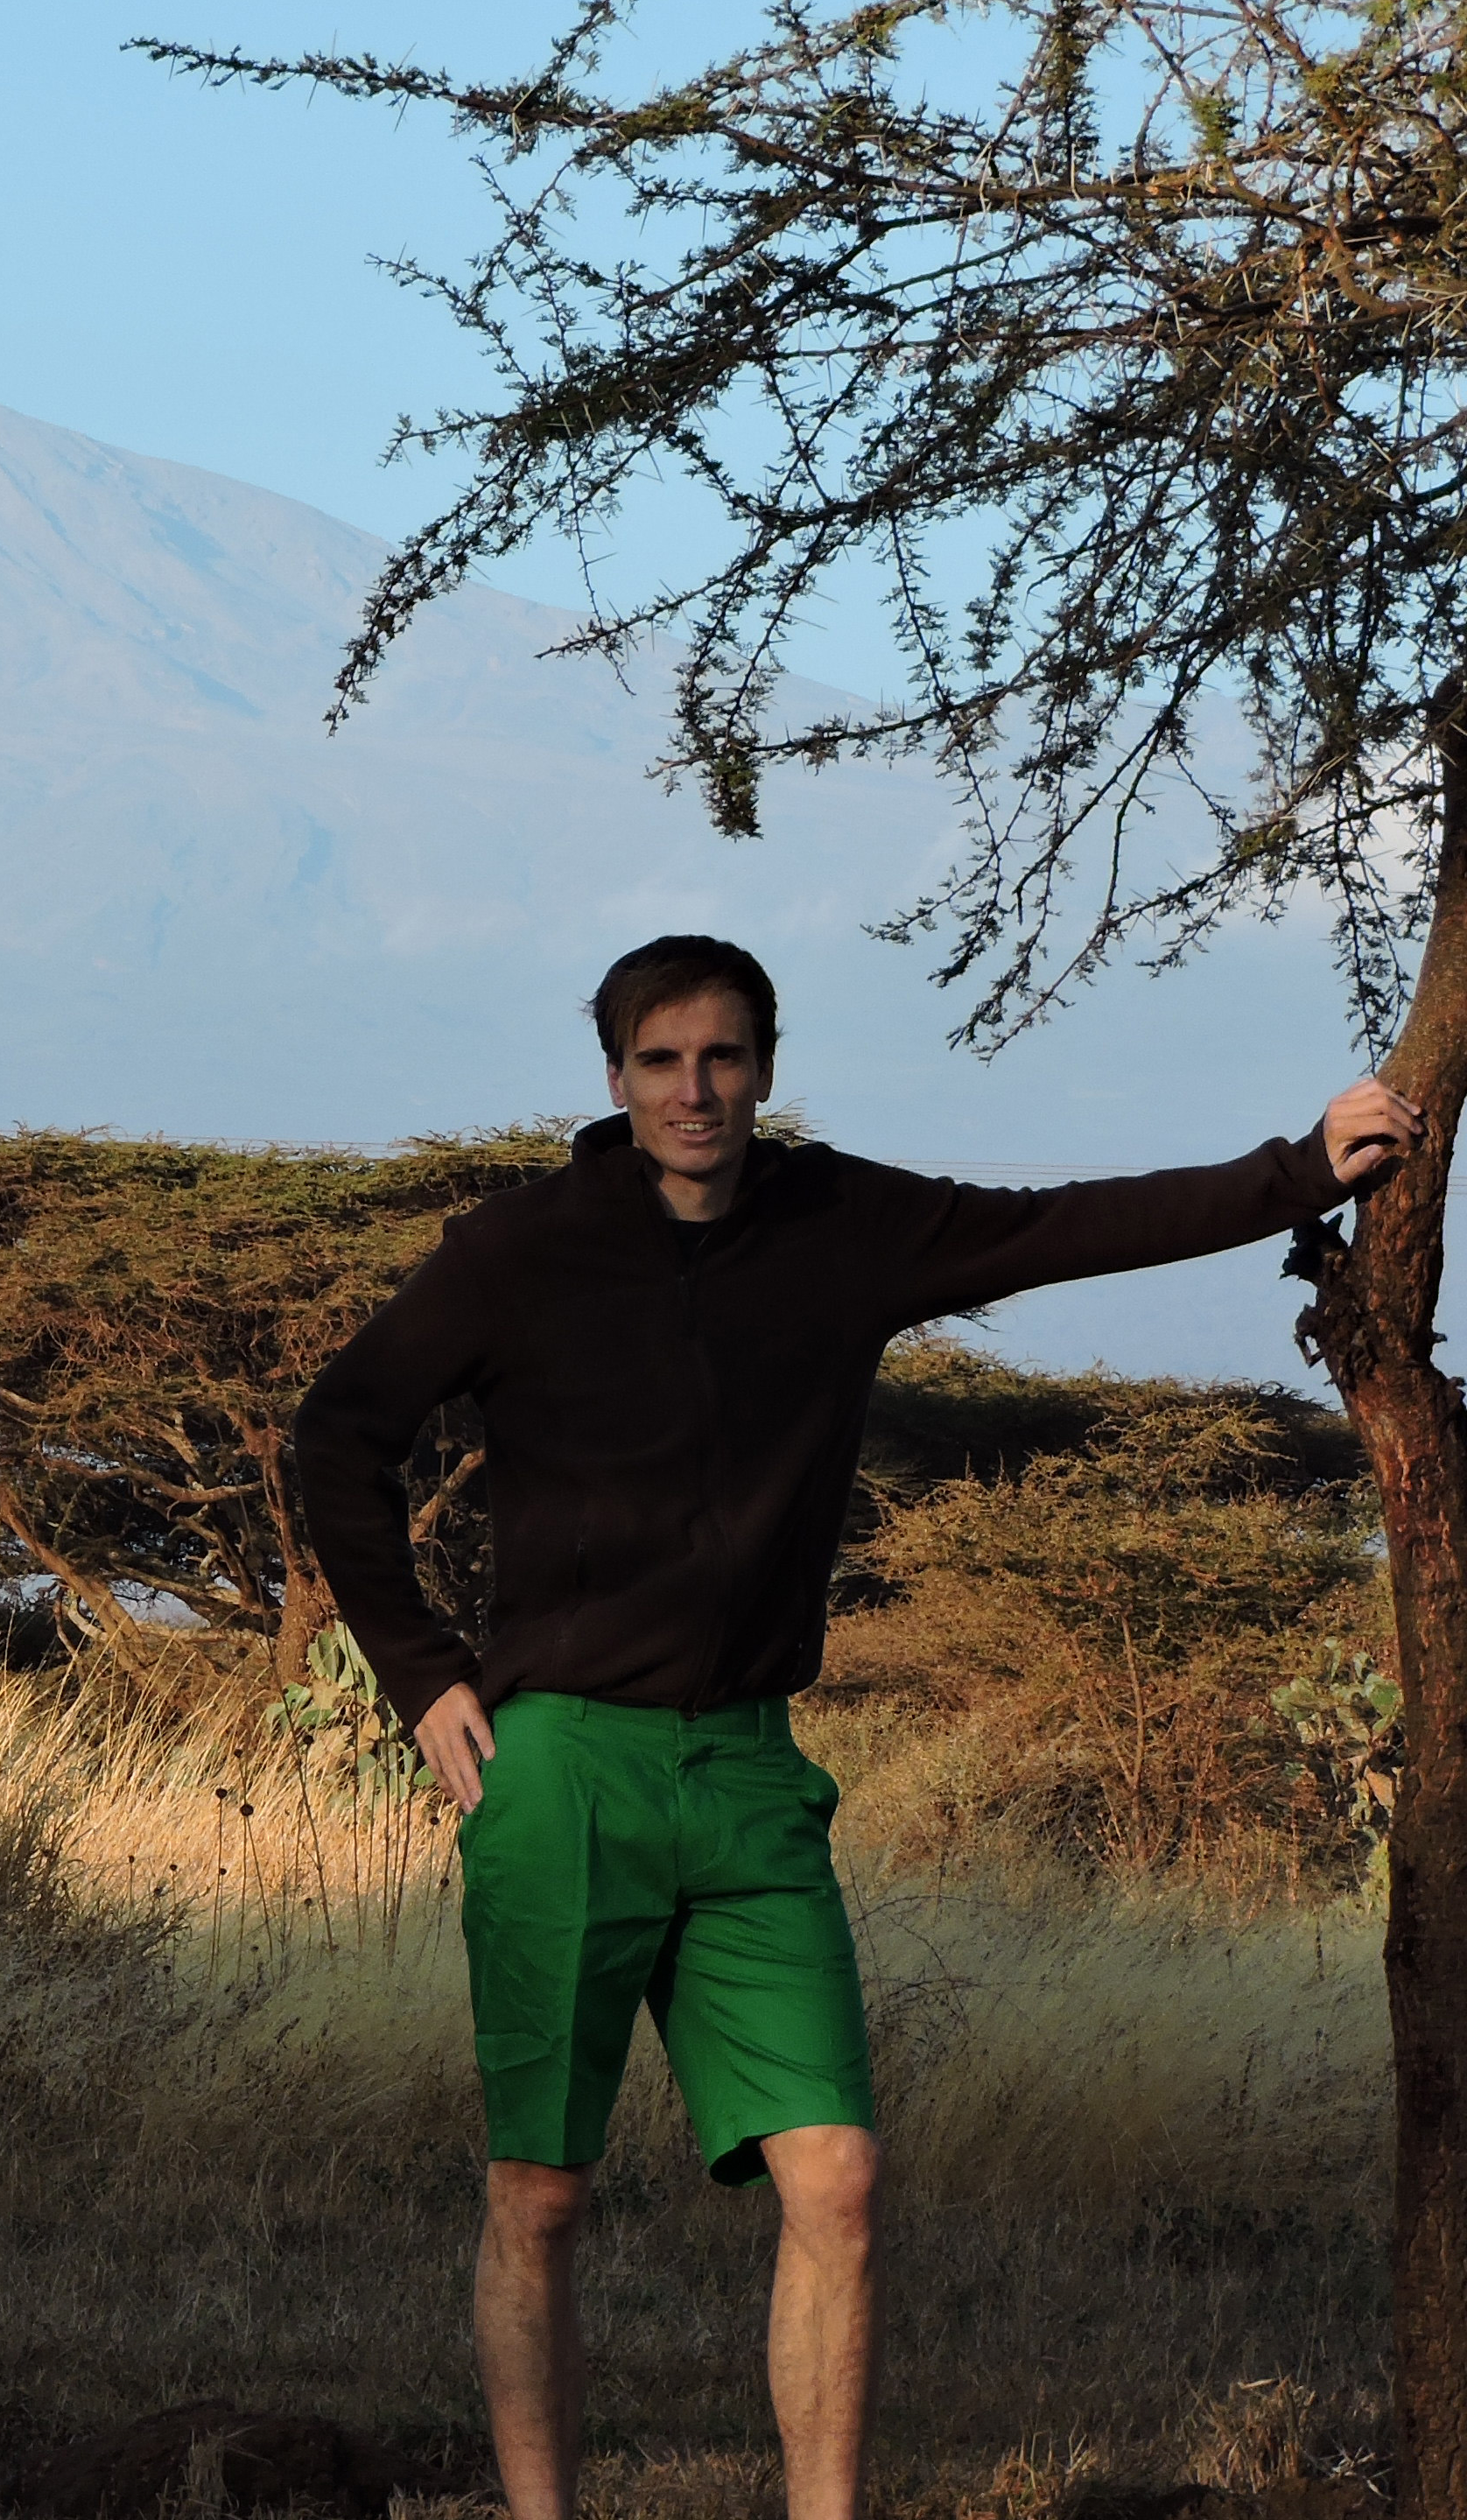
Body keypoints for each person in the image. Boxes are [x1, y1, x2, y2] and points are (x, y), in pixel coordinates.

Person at [290, 934, 1414, 2520]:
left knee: (843, 2183)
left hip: (751, 1770)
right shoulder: (519, 1251)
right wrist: (420, 1674)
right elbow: (338, 1437)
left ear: (766, 1064)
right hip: (562, 1771)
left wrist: (1297, 1169)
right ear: (615, 1078)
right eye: (665, 1061)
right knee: (539, 2195)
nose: (699, 1090)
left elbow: (1065, 1228)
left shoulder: (843, 1224)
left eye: (728, 1057)